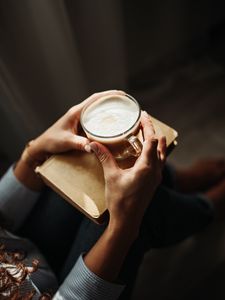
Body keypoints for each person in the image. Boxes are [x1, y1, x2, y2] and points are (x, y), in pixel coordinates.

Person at [0, 90, 167, 299]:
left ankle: (178, 182)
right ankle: (206, 205)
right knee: (143, 207)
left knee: (132, 173)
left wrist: (33, 153)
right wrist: (125, 223)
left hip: (18, 243)